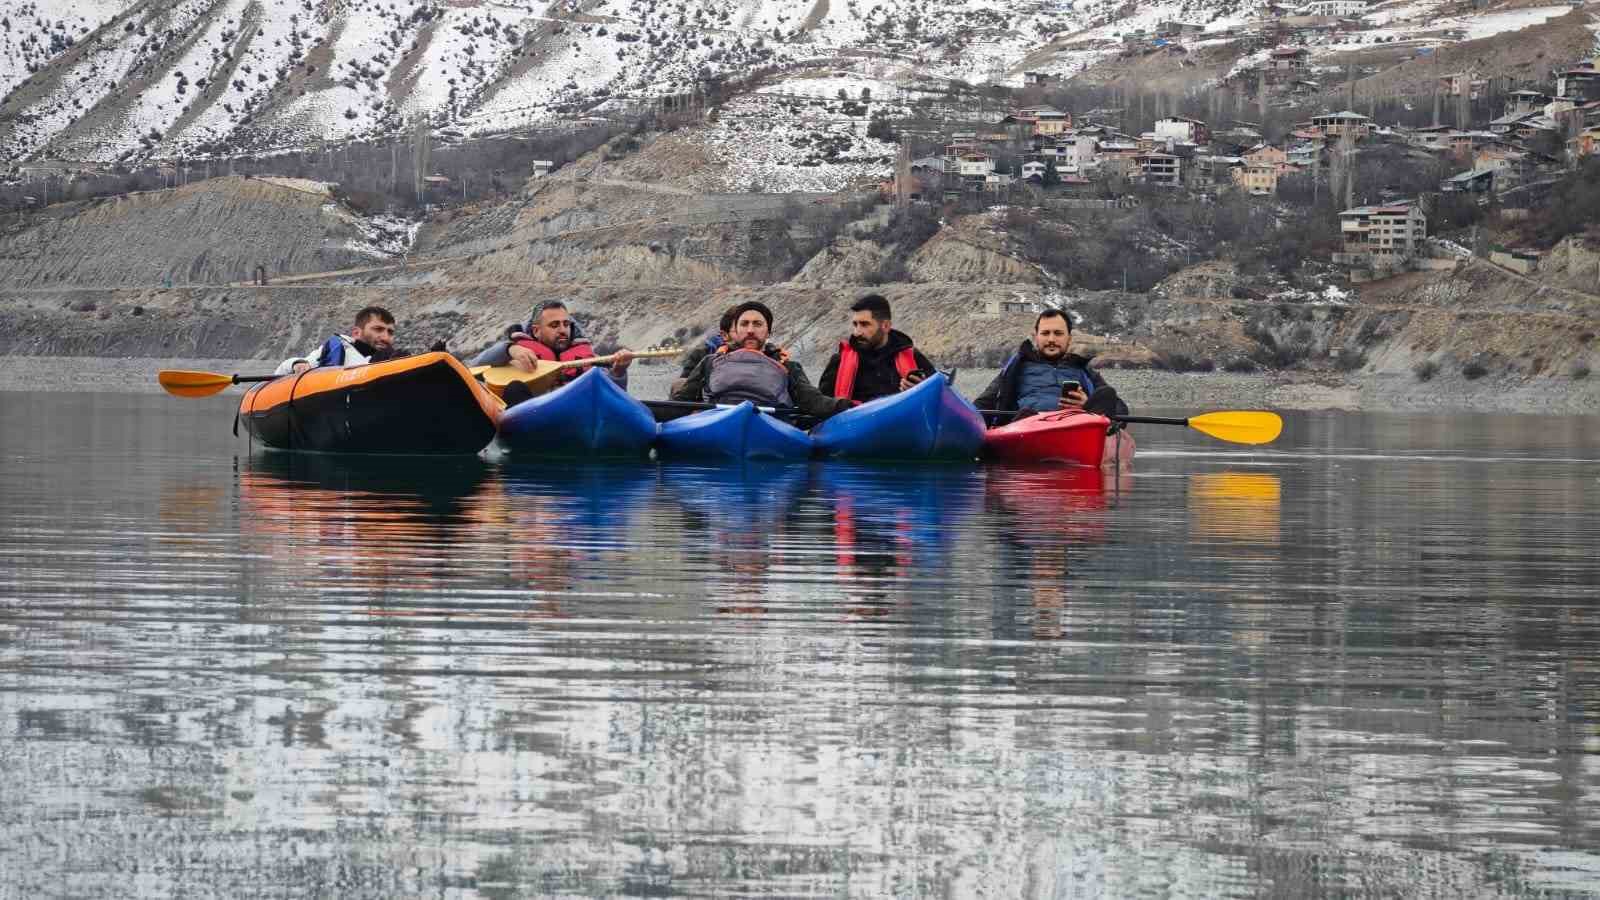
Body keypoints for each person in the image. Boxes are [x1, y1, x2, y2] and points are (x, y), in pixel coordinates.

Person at [671, 301, 850, 421]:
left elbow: (813, 401)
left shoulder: (787, 366)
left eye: (757, 324)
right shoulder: (710, 362)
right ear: (736, 329)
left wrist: (848, 407)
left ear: (768, 332)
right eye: (744, 324)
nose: (750, 330)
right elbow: (679, 404)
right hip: (718, 421)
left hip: (767, 424)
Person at [974, 308, 1129, 418]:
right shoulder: (1018, 367)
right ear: (1036, 337)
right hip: (1027, 425)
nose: (1051, 340)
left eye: (1058, 333)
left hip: (1076, 425)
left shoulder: (1083, 370)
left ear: (1069, 338)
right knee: (1026, 414)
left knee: (1107, 393)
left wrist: (1086, 405)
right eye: (1045, 333)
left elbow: (1120, 410)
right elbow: (982, 405)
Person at [501, 300, 634, 406]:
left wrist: (619, 372)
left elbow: (616, 396)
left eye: (566, 324)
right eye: (554, 325)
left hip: (576, 413)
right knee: (514, 389)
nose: (562, 330)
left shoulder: (588, 357)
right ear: (536, 331)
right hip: (534, 416)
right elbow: (480, 366)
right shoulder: (518, 352)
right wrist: (510, 349)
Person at [818, 294, 937, 404]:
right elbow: (821, 407)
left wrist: (923, 390)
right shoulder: (839, 361)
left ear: (885, 326)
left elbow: (939, 397)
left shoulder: (913, 357)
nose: (857, 332)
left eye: (864, 324)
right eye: (855, 324)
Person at [275, 306, 397, 375]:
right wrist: (297, 363)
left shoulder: (397, 359)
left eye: (390, 332)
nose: (386, 337)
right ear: (356, 333)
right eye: (378, 329)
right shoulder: (336, 349)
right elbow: (283, 370)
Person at [670, 305, 739, 397]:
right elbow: (685, 387)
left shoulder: (762, 355)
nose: (748, 331)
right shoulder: (701, 355)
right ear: (725, 334)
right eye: (741, 326)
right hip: (712, 405)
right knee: (679, 384)